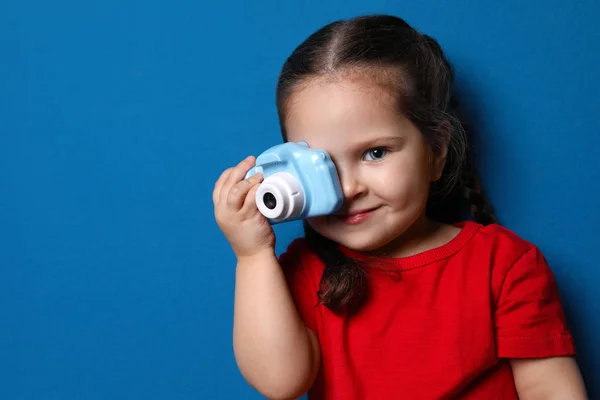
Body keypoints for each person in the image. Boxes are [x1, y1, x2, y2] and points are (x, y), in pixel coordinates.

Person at [213, 14, 588, 400]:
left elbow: (549, 388)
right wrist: (253, 255)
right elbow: (280, 383)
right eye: (320, 164)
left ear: (437, 150)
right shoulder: (305, 271)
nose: (346, 187)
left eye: (375, 153)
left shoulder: (504, 264)